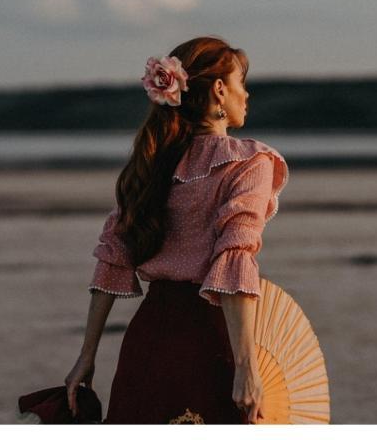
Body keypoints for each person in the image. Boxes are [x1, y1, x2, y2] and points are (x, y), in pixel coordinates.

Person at [64, 36, 289, 424]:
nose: (247, 95)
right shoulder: (251, 162)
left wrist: (87, 355)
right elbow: (233, 262)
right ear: (219, 90)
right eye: (241, 83)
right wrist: (246, 366)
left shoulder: (151, 162)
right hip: (213, 341)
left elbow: (113, 258)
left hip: (148, 341)